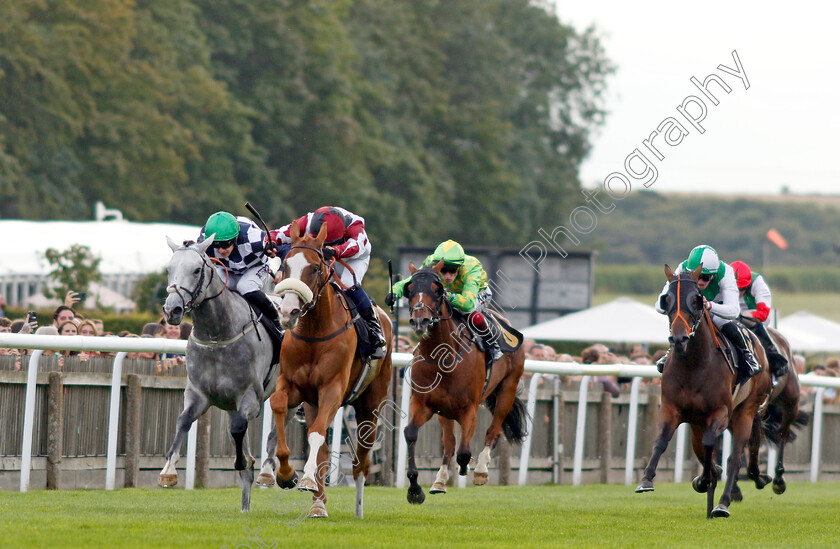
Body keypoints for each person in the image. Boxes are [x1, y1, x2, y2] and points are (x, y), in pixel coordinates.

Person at [271, 206, 386, 359]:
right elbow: (280, 234)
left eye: (328, 241)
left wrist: (334, 251)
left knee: (347, 284)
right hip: (323, 255)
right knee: (312, 281)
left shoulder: (355, 226)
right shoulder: (309, 220)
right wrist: (268, 241)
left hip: (353, 257)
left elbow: (355, 246)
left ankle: (374, 328)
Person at [386, 239, 502, 367]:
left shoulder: (472, 267)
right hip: (446, 292)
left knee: (467, 312)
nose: (447, 275)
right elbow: (409, 281)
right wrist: (394, 292)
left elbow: (468, 303)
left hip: (477, 293)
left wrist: (448, 295)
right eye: (443, 270)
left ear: (460, 267)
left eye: (452, 270)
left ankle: (492, 343)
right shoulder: (431, 262)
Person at [654, 245, 760, 380]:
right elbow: (659, 306)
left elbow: (733, 310)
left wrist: (708, 305)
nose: (700, 281)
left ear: (714, 274)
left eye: (705, 277)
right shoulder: (682, 269)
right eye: (696, 276)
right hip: (693, 309)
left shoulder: (725, 272)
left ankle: (747, 353)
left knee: (720, 321)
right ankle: (671, 351)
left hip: (718, 308)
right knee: (681, 320)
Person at [198, 211, 283, 337]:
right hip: (226, 269)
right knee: (212, 288)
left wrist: (281, 269)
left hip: (255, 267)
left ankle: (277, 322)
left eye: (225, 244)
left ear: (236, 238)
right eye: (216, 246)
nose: (221, 250)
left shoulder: (253, 237)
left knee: (245, 286)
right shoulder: (205, 238)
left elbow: (285, 246)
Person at [730, 260, 789, 383]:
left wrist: (741, 315)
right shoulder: (724, 281)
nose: (740, 292)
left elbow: (762, 314)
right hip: (733, 311)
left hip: (756, 314)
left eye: (744, 288)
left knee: (748, 322)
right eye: (737, 289)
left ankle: (772, 353)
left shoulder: (758, 283)